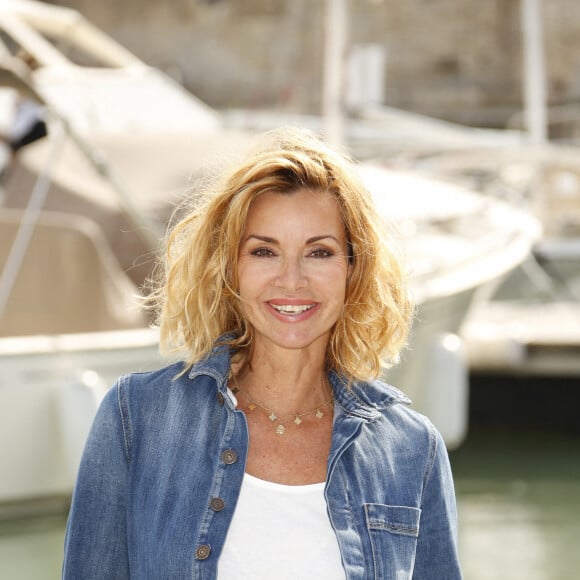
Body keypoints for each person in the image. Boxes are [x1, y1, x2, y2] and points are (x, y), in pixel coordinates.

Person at [62, 127, 463, 579]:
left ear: (354, 267)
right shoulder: (137, 419)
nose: (291, 280)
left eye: (319, 252)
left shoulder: (412, 448)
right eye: (264, 252)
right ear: (230, 267)